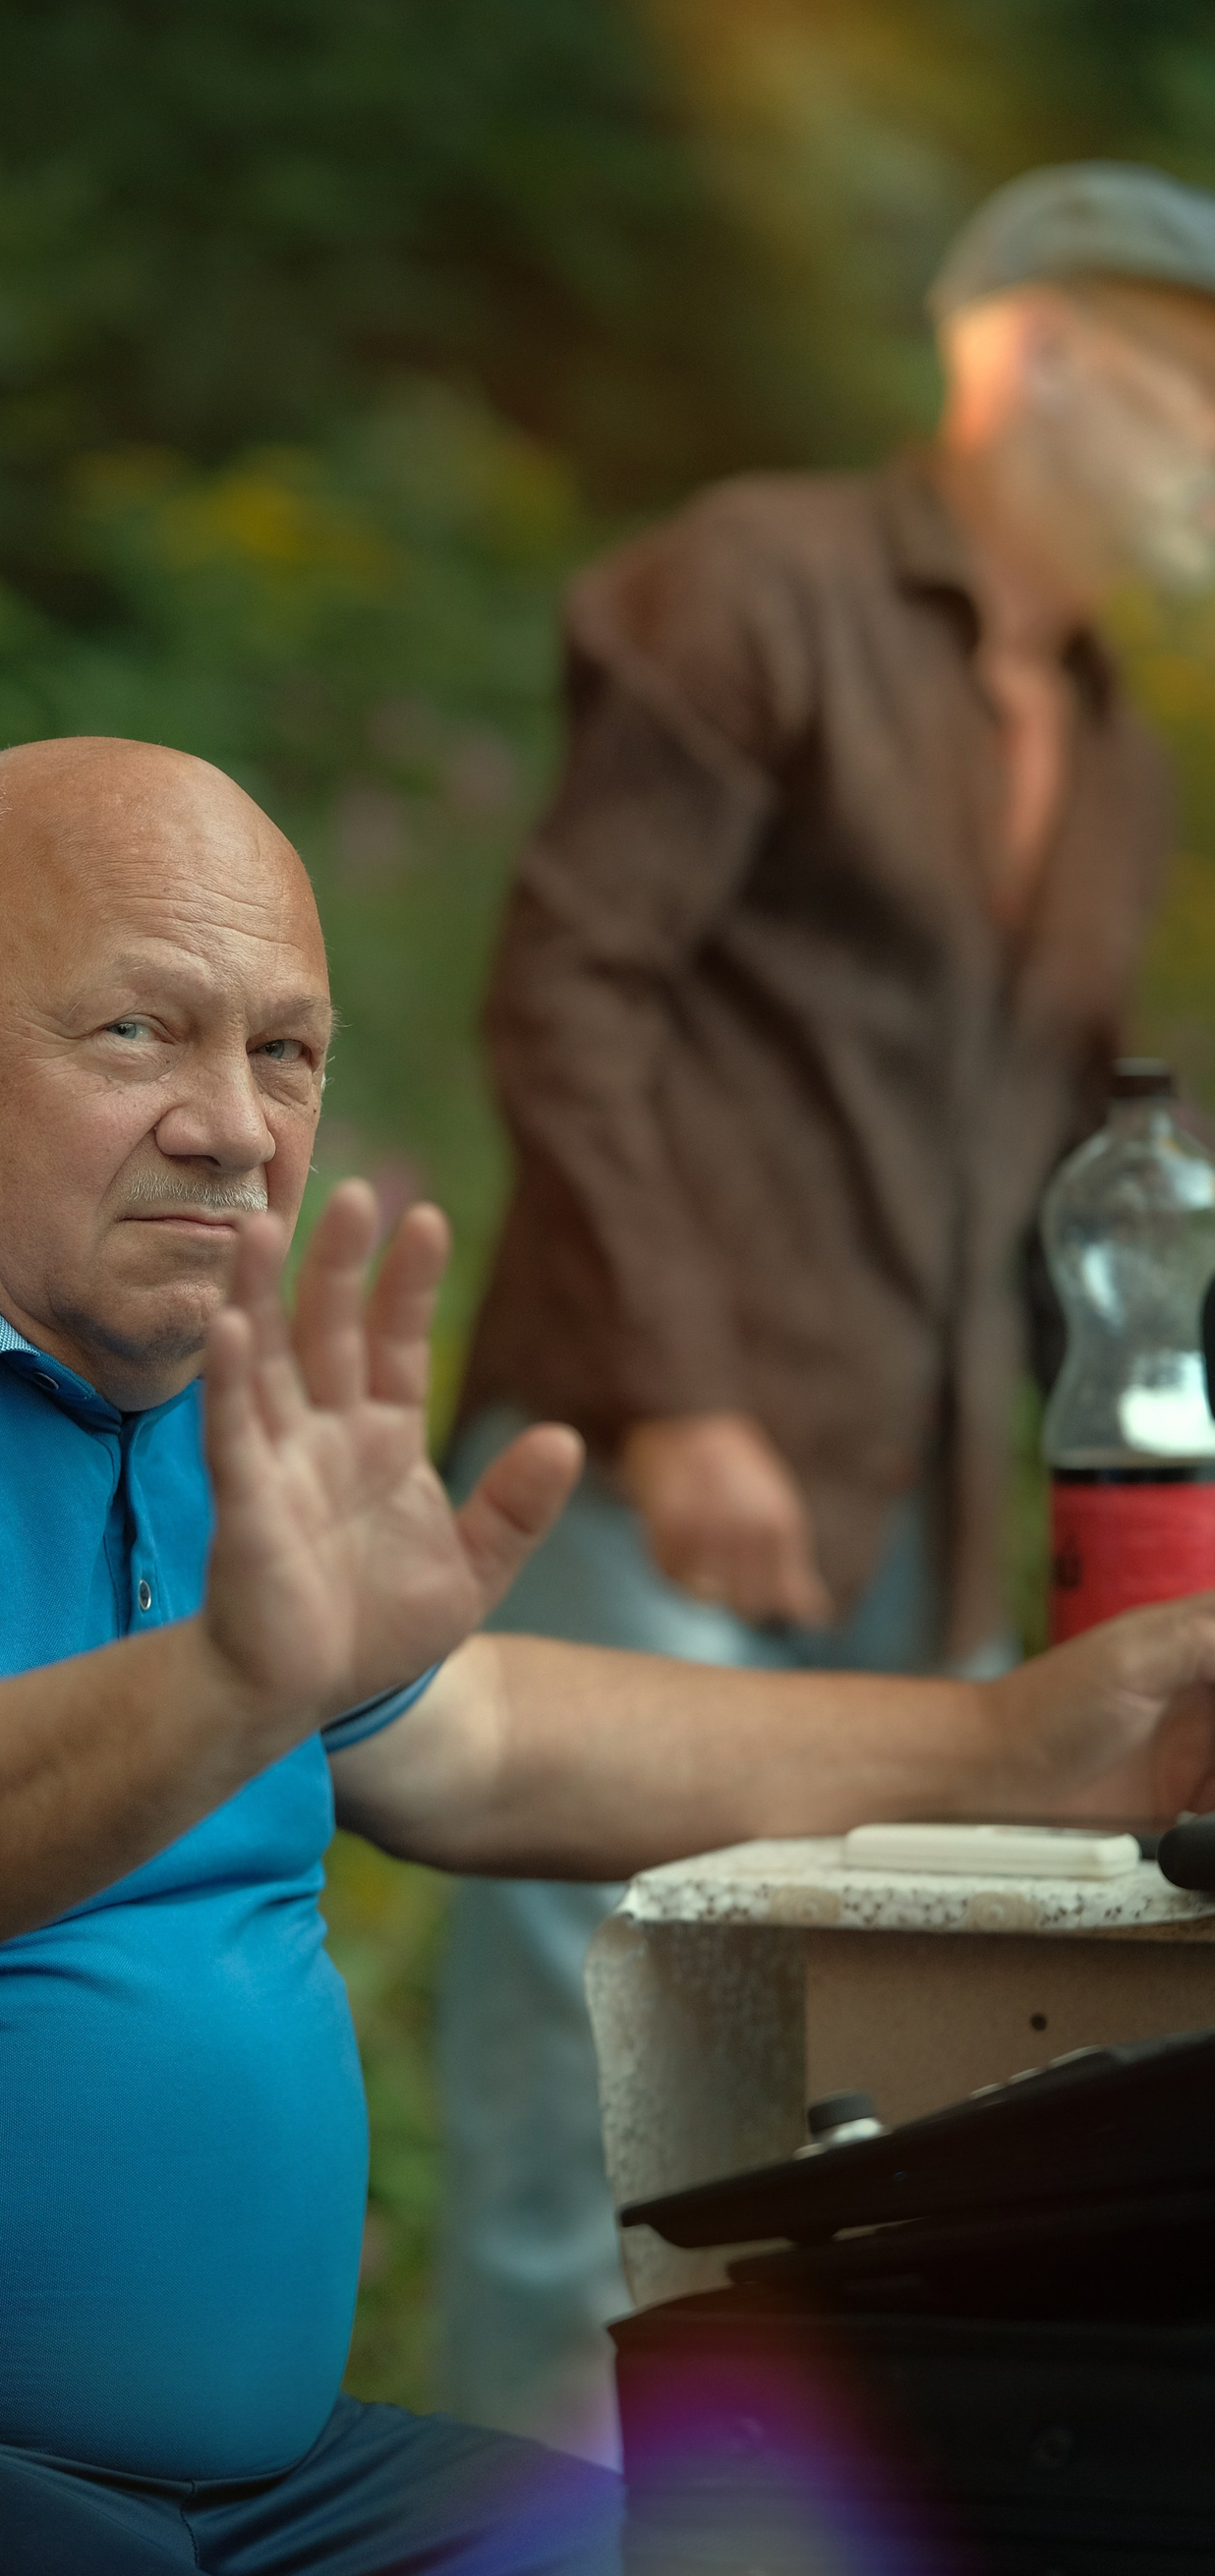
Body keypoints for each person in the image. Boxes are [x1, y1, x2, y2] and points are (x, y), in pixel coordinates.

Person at [0, 736, 1215, 2576]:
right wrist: (230, 1684)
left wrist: (1024, 1745)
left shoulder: (166, 1356)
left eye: (286, 1051)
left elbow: (476, 1736)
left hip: (254, 2486)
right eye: (140, 1032)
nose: (236, 1127)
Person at [437, 160, 1215, 2452]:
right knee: (592, 2081)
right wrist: (685, 1404)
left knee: (866, 2083)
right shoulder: (753, 582)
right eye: (1193, 381)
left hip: (915, 1500)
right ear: (1036, 356)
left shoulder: (1115, 740)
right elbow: (568, 993)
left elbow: (1077, 1170)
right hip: (639, 1471)